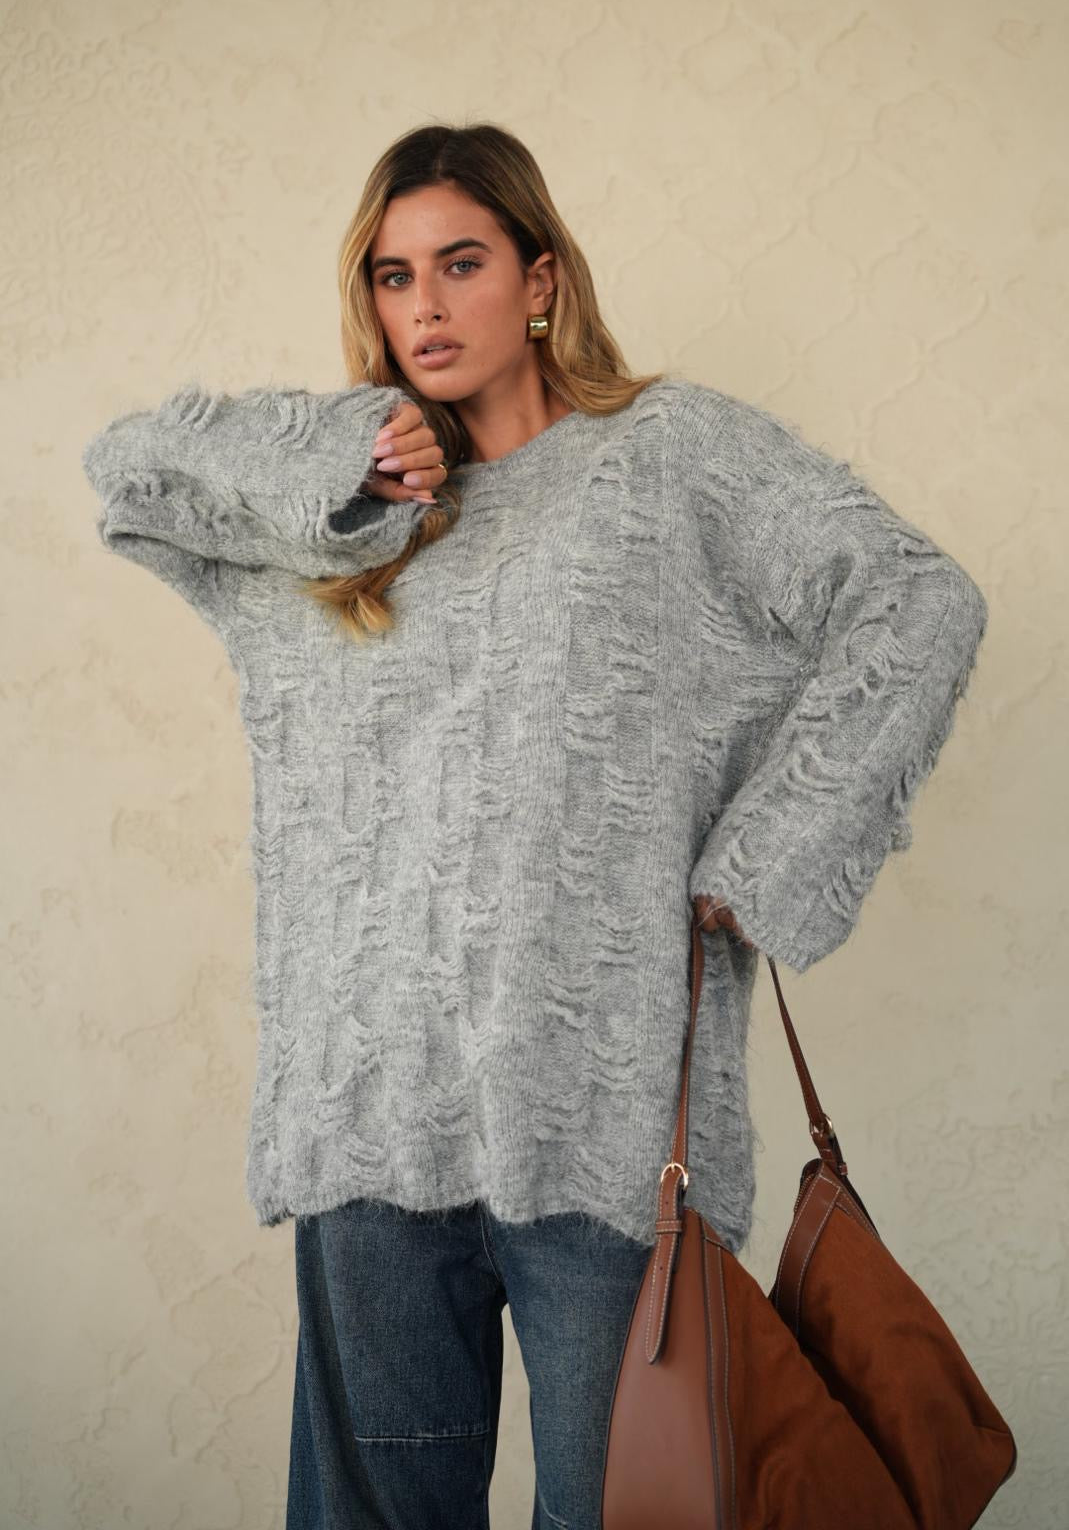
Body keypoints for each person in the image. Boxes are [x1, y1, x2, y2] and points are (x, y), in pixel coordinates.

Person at [82, 121, 989, 1530]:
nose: (425, 308)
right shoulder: (338, 523)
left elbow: (917, 599)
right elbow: (130, 477)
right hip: (369, 1122)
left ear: (541, 278)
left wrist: (770, 853)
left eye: (462, 264)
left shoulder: (668, 458)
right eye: (392, 277)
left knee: (621, 1513)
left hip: (607, 1135)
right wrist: (343, 455)